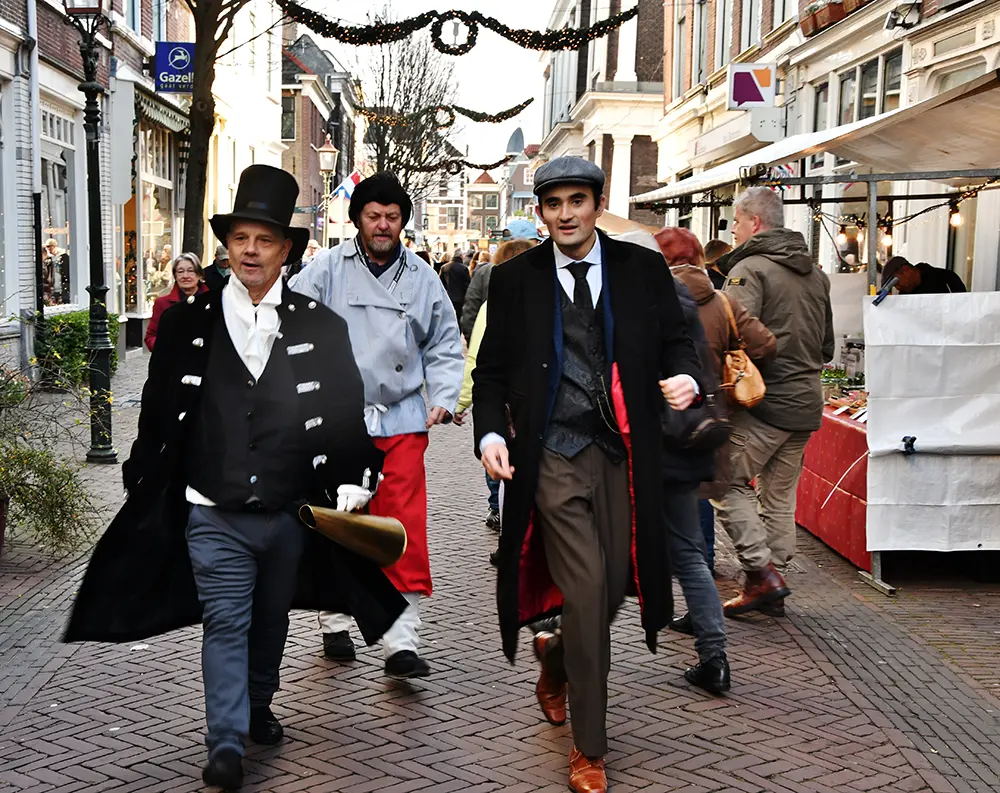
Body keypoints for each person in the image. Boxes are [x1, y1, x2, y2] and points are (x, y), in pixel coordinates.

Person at [63, 164, 406, 791]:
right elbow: (158, 409)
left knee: (271, 619)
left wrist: (356, 475)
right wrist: (144, 476)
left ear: (286, 250)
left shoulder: (320, 326)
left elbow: (344, 415)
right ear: (227, 245)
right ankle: (224, 740)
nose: (250, 250)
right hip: (210, 509)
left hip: (289, 512)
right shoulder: (185, 324)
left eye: (264, 239)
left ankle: (256, 703)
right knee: (226, 620)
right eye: (240, 238)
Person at [472, 156, 702, 793]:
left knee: (615, 587)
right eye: (554, 203)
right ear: (541, 212)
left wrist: (686, 376)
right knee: (588, 584)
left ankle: (557, 663)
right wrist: (490, 434)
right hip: (550, 454)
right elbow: (490, 372)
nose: (566, 213)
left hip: (623, 453)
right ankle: (590, 749)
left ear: (598, 205)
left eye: (578, 200)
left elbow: (677, 342)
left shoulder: (641, 268)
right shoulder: (514, 279)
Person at [291, 172, 464, 680]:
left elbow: (444, 341)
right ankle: (334, 621)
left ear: (402, 221)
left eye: (392, 216)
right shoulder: (326, 269)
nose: (383, 224)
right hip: (336, 419)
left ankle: (400, 643)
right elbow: (290, 323)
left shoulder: (423, 277)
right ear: (358, 220)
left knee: (401, 528)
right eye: (373, 216)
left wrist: (444, 396)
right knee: (336, 522)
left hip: (401, 417)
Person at [716, 186, 835, 618]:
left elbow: (735, 334)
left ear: (755, 222)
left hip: (767, 402)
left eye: (736, 221)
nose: (732, 230)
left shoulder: (749, 269)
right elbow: (826, 347)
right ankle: (773, 582)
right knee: (779, 499)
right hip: (807, 402)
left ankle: (762, 573)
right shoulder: (816, 275)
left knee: (723, 481)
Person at [655, 228, 776, 575]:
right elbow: (765, 344)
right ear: (697, 257)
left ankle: (678, 561)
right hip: (713, 407)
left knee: (668, 484)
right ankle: (704, 560)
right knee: (703, 484)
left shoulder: (652, 299)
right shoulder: (723, 301)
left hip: (665, 406)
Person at [454, 238, 538, 540]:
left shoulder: (491, 307)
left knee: (499, 461)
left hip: (507, 408)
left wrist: (460, 402)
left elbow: (476, 358)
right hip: (525, 410)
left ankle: (497, 509)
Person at [461, 218, 543, 341]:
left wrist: (478, 345)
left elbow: (470, 315)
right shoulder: (542, 273)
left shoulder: (483, 272)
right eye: (536, 242)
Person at [145, 252, 210, 351]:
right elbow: (150, 337)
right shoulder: (162, 303)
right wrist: (166, 348)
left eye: (191, 271)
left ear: (199, 275)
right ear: (175, 276)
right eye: (180, 272)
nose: (185, 276)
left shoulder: (213, 301)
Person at [881, 255, 966, 294]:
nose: (898, 287)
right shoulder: (903, 297)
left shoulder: (947, 279)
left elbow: (962, 307)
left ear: (906, 270)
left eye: (896, 282)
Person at [440, 250, 471, 329]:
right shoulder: (464, 268)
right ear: (461, 256)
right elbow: (467, 285)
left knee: (448, 319)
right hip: (460, 298)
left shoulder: (444, 267)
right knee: (459, 319)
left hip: (448, 298)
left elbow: (440, 284)